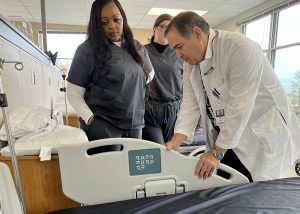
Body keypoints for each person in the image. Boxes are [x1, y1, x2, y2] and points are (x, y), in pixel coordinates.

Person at [164, 11, 300, 182]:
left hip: (258, 134)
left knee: (254, 187)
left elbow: (240, 107)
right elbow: (190, 105)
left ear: (197, 33)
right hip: (226, 134)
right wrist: (177, 140)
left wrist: (217, 152)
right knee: (226, 185)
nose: (178, 55)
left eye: (179, 47)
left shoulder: (239, 48)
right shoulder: (192, 63)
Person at [66, 0, 154, 146]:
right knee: (109, 168)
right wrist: (90, 119)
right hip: (103, 125)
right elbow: (73, 93)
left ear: (123, 19)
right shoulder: (87, 50)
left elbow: (150, 74)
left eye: (116, 20)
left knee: (130, 168)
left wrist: (132, 85)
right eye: (104, 22)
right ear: (96, 24)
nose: (112, 26)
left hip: (134, 123)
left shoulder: (136, 47)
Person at [142, 14, 183, 144]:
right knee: (157, 149)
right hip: (150, 110)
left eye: (170, 28)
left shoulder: (179, 53)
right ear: (155, 28)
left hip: (174, 110)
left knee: (170, 151)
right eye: (163, 27)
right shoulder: (142, 51)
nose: (166, 31)